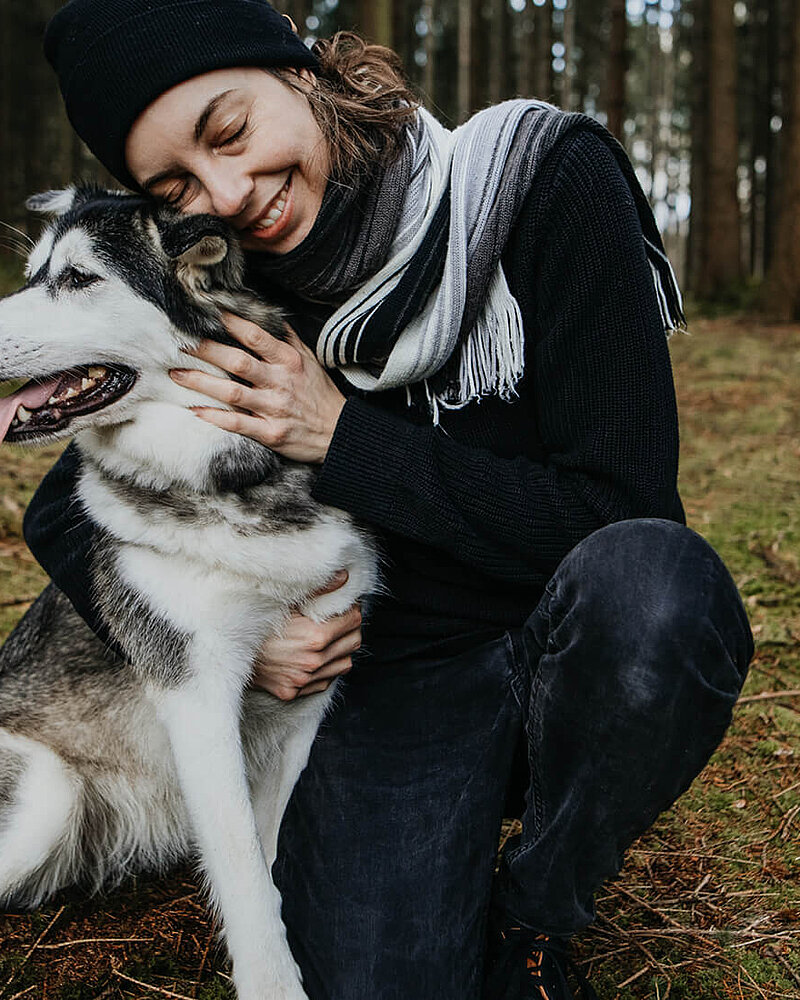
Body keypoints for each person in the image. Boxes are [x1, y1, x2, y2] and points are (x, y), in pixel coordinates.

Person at [24, 2, 754, 998]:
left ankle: (538, 911)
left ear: (296, 69)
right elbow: (63, 511)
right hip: (393, 684)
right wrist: (248, 647)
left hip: (570, 643)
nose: (230, 193)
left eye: (229, 131)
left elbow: (618, 508)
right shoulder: (229, 284)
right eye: (179, 187)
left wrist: (341, 437)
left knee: (658, 594)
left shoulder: (541, 182)